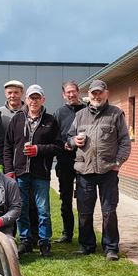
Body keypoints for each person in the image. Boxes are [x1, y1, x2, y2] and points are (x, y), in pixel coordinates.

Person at [65, 80, 131, 261]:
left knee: (109, 211)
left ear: (106, 93)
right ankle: (87, 245)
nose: (96, 96)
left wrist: (119, 161)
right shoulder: (80, 115)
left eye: (99, 93)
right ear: (89, 94)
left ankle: (111, 248)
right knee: (84, 213)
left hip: (108, 171)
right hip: (84, 171)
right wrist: (73, 142)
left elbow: (125, 141)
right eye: (93, 93)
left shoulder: (116, 114)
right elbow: (69, 138)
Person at [3, 84, 60, 257]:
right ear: (25, 100)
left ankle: (44, 242)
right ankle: (26, 241)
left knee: (43, 210)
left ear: (43, 100)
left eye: (37, 98)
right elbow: (8, 146)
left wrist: (39, 149)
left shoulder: (50, 121)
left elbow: (58, 147)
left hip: (41, 173)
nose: (33, 101)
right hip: (20, 172)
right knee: (21, 209)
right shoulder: (17, 119)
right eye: (31, 98)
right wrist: (9, 170)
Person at [0, 79, 39, 245]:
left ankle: (33, 236)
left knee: (31, 203)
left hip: (28, 166)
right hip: (9, 165)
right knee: (11, 203)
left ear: (22, 93)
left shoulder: (30, 110)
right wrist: (6, 167)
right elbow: (4, 143)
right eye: (9, 92)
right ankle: (12, 236)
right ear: (5, 94)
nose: (12, 95)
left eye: (16, 92)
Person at [53, 80, 86, 243]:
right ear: (63, 95)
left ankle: (84, 234)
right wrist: (64, 145)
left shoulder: (87, 110)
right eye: (68, 92)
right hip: (65, 162)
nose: (71, 94)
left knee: (83, 199)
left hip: (85, 161)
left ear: (78, 92)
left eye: (74, 91)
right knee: (65, 199)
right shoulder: (59, 113)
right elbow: (55, 137)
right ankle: (67, 233)